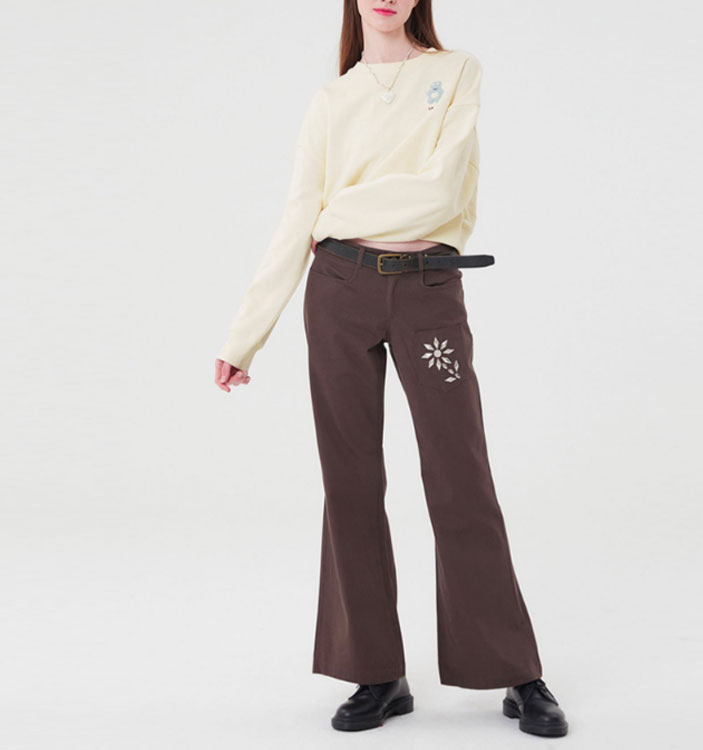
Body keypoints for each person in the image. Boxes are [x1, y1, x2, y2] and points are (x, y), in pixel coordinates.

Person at [214, 0, 569, 738]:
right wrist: (246, 334)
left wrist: (342, 205)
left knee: (460, 474)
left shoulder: (455, 72)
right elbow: (299, 216)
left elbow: (441, 189)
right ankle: (377, 673)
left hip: (428, 289)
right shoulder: (331, 99)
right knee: (349, 483)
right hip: (337, 292)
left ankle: (514, 670)